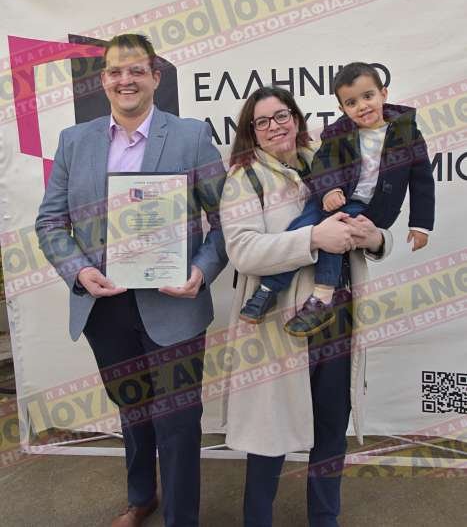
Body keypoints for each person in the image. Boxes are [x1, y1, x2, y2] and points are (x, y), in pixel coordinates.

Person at [35, 33, 227, 527]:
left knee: (179, 420)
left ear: (155, 78)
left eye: (137, 70)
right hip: (105, 306)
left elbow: (226, 220)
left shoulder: (190, 136)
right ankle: (142, 498)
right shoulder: (74, 141)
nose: (127, 80)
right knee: (132, 409)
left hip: (175, 303)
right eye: (117, 71)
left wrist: (201, 271)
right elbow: (51, 222)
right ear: (103, 80)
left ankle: (181, 517)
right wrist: (80, 271)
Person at [219, 86, 393, 527]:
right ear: (252, 131)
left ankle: (324, 519)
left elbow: (366, 218)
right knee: (269, 436)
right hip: (280, 329)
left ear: (296, 118)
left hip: (339, 318)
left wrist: (376, 238)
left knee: (332, 430)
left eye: (281, 116)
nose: (275, 126)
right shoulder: (244, 178)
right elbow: (242, 251)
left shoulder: (329, 159)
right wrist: (313, 238)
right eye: (262, 121)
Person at [240, 62, 434, 337]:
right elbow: (325, 162)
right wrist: (330, 190)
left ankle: (322, 297)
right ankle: (269, 287)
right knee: (301, 226)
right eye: (351, 102)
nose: (362, 106)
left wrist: (420, 224)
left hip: (369, 206)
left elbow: (422, 179)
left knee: (334, 229)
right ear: (342, 108)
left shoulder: (408, 133)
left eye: (368, 96)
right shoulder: (338, 131)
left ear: (383, 94)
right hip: (333, 196)